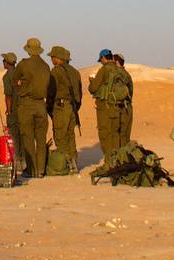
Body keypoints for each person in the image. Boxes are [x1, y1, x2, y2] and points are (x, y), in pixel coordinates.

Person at [13, 38, 52, 177]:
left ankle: (31, 170)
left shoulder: (24, 64)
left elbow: (14, 80)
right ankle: (41, 169)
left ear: (28, 50)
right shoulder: (46, 66)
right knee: (41, 139)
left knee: (28, 137)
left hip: (27, 104)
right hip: (41, 104)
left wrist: (20, 86)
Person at [47, 45, 82, 173]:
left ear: (57, 58)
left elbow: (51, 91)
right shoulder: (75, 72)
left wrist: (49, 108)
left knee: (60, 136)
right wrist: (75, 108)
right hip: (72, 108)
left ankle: (64, 164)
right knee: (70, 135)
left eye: (52, 57)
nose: (51, 59)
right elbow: (79, 95)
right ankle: (74, 162)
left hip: (60, 107)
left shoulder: (56, 71)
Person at [88, 48, 126, 163]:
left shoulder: (104, 70)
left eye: (101, 60)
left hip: (105, 107)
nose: (101, 62)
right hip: (117, 107)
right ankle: (118, 161)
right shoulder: (119, 70)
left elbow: (93, 88)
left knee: (105, 134)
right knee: (115, 134)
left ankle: (110, 162)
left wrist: (91, 82)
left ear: (104, 58)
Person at [0, 52, 21, 168]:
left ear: (7, 63)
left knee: (14, 135)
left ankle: (17, 160)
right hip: (24, 108)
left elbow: (8, 95)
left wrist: (8, 110)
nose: (3, 63)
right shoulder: (20, 73)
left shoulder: (7, 76)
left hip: (14, 110)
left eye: (4, 61)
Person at [114, 53, 135, 146]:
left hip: (121, 108)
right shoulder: (127, 75)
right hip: (127, 108)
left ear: (116, 61)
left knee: (119, 136)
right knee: (125, 136)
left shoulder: (117, 75)